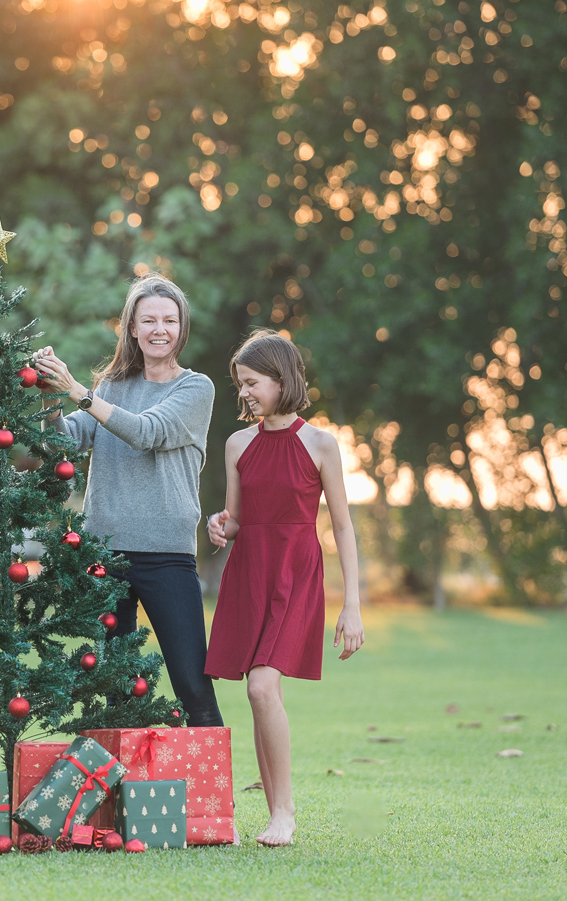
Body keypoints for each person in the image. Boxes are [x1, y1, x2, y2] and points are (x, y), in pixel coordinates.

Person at [32, 273, 224, 728]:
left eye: (170, 320)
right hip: (104, 554)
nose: (160, 329)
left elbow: (146, 433)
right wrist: (50, 400)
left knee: (192, 683)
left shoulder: (195, 389)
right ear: (132, 329)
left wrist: (78, 392)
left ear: (182, 328)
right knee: (115, 691)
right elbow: (65, 445)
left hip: (166, 554)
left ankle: (211, 800)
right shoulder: (111, 387)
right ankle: (124, 798)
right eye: (149, 320)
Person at [204, 329, 366, 847]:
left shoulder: (320, 444)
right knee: (258, 693)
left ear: (282, 379)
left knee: (261, 685)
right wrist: (218, 524)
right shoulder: (238, 443)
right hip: (248, 573)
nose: (245, 393)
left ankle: (286, 813)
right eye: (240, 385)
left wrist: (352, 606)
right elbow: (238, 520)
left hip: (296, 574)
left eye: (252, 383)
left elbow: (342, 527)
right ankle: (276, 813)